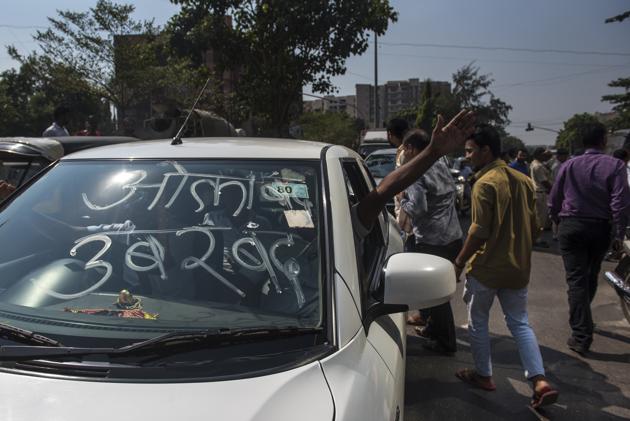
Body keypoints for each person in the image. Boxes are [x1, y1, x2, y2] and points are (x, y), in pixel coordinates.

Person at [453, 124, 559, 409]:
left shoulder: (484, 183)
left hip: (487, 267)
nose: (467, 156)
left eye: (470, 151)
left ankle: (483, 375)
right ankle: (539, 380)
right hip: (518, 268)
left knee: (478, 322)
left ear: (486, 151)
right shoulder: (523, 180)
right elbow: (537, 225)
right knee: (520, 323)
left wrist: (460, 261)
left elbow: (478, 231)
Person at [549, 123, 630, 355]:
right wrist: (618, 232)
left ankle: (581, 332)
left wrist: (556, 220)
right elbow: (620, 202)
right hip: (599, 228)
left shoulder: (569, 164)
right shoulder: (615, 165)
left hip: (571, 225)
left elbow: (555, 197)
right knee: (589, 276)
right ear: (603, 141)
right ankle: (582, 328)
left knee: (577, 281)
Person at [397, 129, 463, 354]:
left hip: (432, 239)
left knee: (436, 294)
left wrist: (401, 200)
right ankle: (433, 330)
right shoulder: (440, 163)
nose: (403, 153)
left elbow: (418, 208)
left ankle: (445, 342)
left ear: (413, 149)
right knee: (439, 290)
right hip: (452, 235)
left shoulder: (417, 171)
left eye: (405, 149)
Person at [530, 147, 553, 248]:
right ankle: (535, 239)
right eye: (543, 154)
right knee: (540, 218)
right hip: (540, 193)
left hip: (538, 192)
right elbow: (544, 182)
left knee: (539, 217)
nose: (546, 156)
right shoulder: (538, 166)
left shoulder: (535, 163)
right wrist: (554, 191)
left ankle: (535, 238)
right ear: (539, 155)